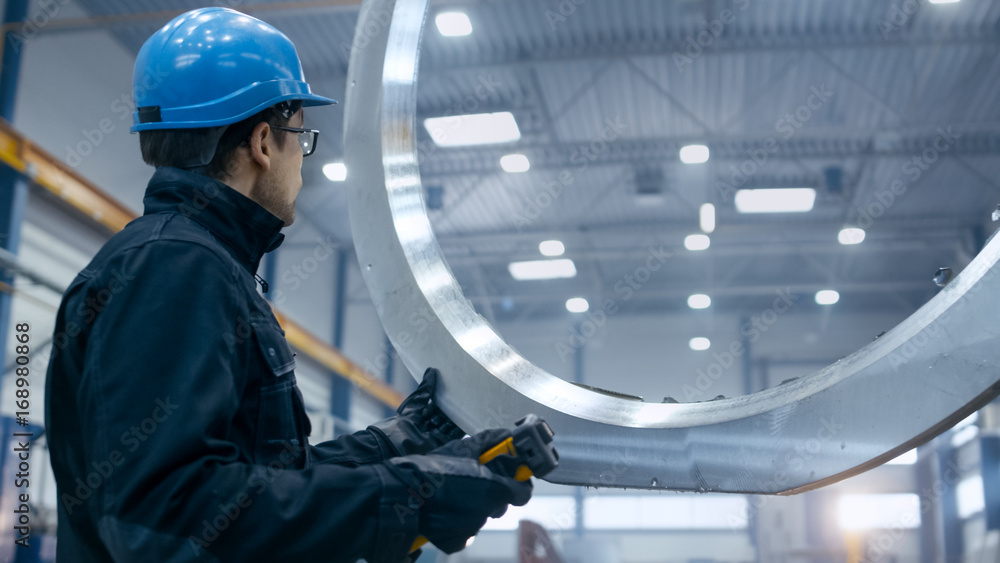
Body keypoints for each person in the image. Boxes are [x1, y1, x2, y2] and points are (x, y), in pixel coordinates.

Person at [43, 7, 531, 562]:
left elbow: (257, 482)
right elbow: (165, 520)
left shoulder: (190, 264)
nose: (302, 157)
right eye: (300, 134)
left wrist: (402, 442)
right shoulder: (175, 271)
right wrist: (406, 499)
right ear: (262, 142)